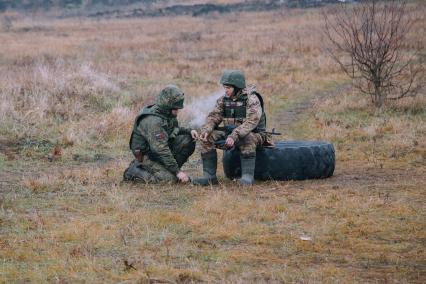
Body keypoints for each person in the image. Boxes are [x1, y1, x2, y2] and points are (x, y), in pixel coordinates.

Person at [192, 70, 271, 186]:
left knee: (246, 138)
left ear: (237, 87)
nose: (226, 90)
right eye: (225, 87)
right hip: (230, 133)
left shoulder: (251, 99)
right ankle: (209, 177)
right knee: (207, 137)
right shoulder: (223, 100)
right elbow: (214, 116)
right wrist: (206, 130)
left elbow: (251, 122)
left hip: (254, 134)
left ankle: (247, 177)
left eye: (228, 87)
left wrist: (234, 135)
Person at [123, 85, 197, 183]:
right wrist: (177, 172)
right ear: (168, 106)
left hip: (156, 151)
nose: (177, 111)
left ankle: (168, 169)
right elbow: (161, 149)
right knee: (170, 180)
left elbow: (174, 129)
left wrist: (189, 131)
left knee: (188, 139)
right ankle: (133, 171)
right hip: (147, 155)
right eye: (176, 109)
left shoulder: (166, 113)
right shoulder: (154, 121)